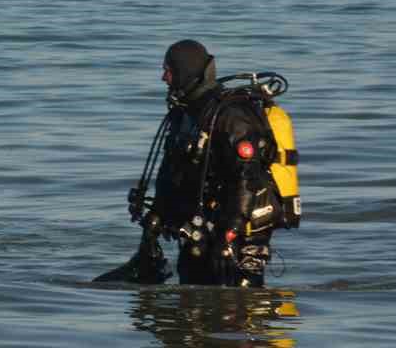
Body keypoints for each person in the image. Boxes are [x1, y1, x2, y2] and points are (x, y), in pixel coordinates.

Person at [105, 40, 294, 287]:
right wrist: (156, 218)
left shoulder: (231, 116)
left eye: (168, 70)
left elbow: (248, 178)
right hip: (204, 227)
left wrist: (230, 233)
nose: (163, 78)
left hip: (241, 230)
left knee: (241, 305)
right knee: (191, 299)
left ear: (185, 72)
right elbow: (172, 173)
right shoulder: (185, 115)